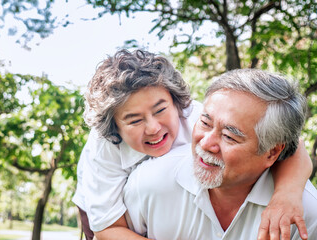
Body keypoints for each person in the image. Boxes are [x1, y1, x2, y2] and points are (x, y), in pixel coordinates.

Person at [71, 50, 312, 240]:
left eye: (160, 110)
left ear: (177, 103)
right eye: (134, 120)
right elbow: (107, 229)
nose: (153, 128)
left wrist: (286, 195)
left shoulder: (201, 118)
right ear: (114, 127)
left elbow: (291, 145)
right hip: (101, 207)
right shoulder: (104, 146)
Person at [123, 69, 317, 240]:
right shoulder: (148, 183)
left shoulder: (304, 215)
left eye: (229, 136)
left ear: (272, 152)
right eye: (205, 123)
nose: (206, 143)